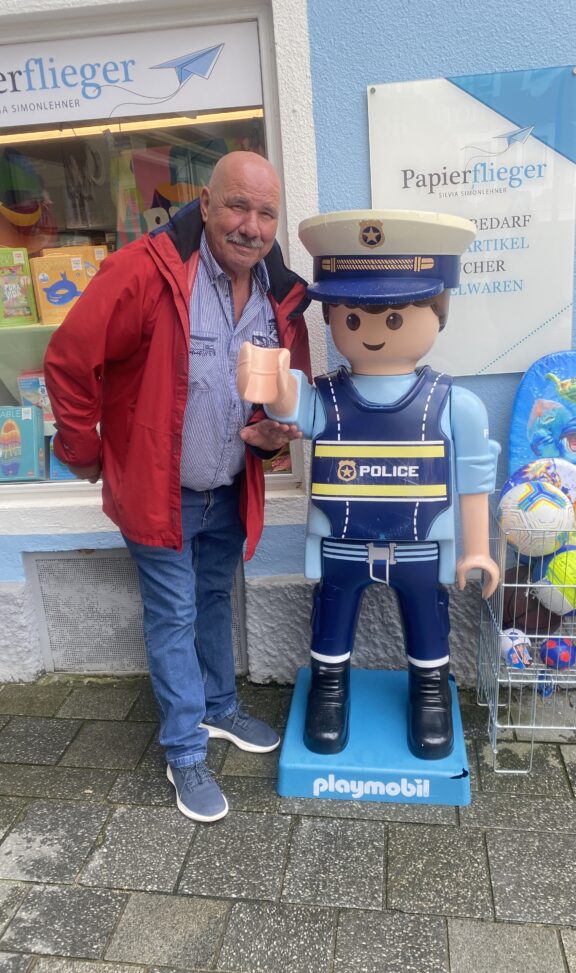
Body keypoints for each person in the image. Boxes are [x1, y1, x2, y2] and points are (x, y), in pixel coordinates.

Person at [44, 151, 311, 822]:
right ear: (207, 203)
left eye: (266, 213)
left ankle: (219, 707)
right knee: (174, 615)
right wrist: (85, 452)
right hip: (159, 492)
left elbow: (289, 390)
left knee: (213, 600)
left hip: (229, 487)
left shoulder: (280, 294)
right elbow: (69, 362)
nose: (251, 226)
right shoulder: (145, 271)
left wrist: (276, 433)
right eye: (238, 206)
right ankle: (184, 749)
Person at [237, 208, 499, 760]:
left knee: (428, 625)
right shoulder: (326, 399)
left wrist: (478, 550)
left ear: (438, 313)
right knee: (330, 624)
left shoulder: (454, 405)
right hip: (342, 546)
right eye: (351, 318)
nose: (371, 332)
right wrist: (272, 379)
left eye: (394, 318)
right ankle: (329, 693)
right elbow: (289, 401)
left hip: (421, 548)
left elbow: (475, 481)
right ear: (332, 317)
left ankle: (430, 694)